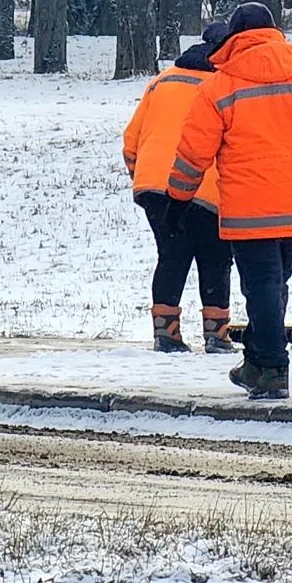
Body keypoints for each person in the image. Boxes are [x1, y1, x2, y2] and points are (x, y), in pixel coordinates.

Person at [168, 2, 292, 400]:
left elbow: (194, 150)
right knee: (272, 286)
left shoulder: (222, 86)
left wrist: (177, 199)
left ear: (235, 37)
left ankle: (272, 368)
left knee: (263, 287)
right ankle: (255, 361)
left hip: (250, 211)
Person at [123, 21, 235, 354]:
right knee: (215, 259)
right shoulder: (223, 85)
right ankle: (217, 335)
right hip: (205, 185)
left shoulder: (162, 81)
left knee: (171, 256)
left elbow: (131, 140)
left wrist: (142, 175)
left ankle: (166, 333)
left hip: (153, 184)